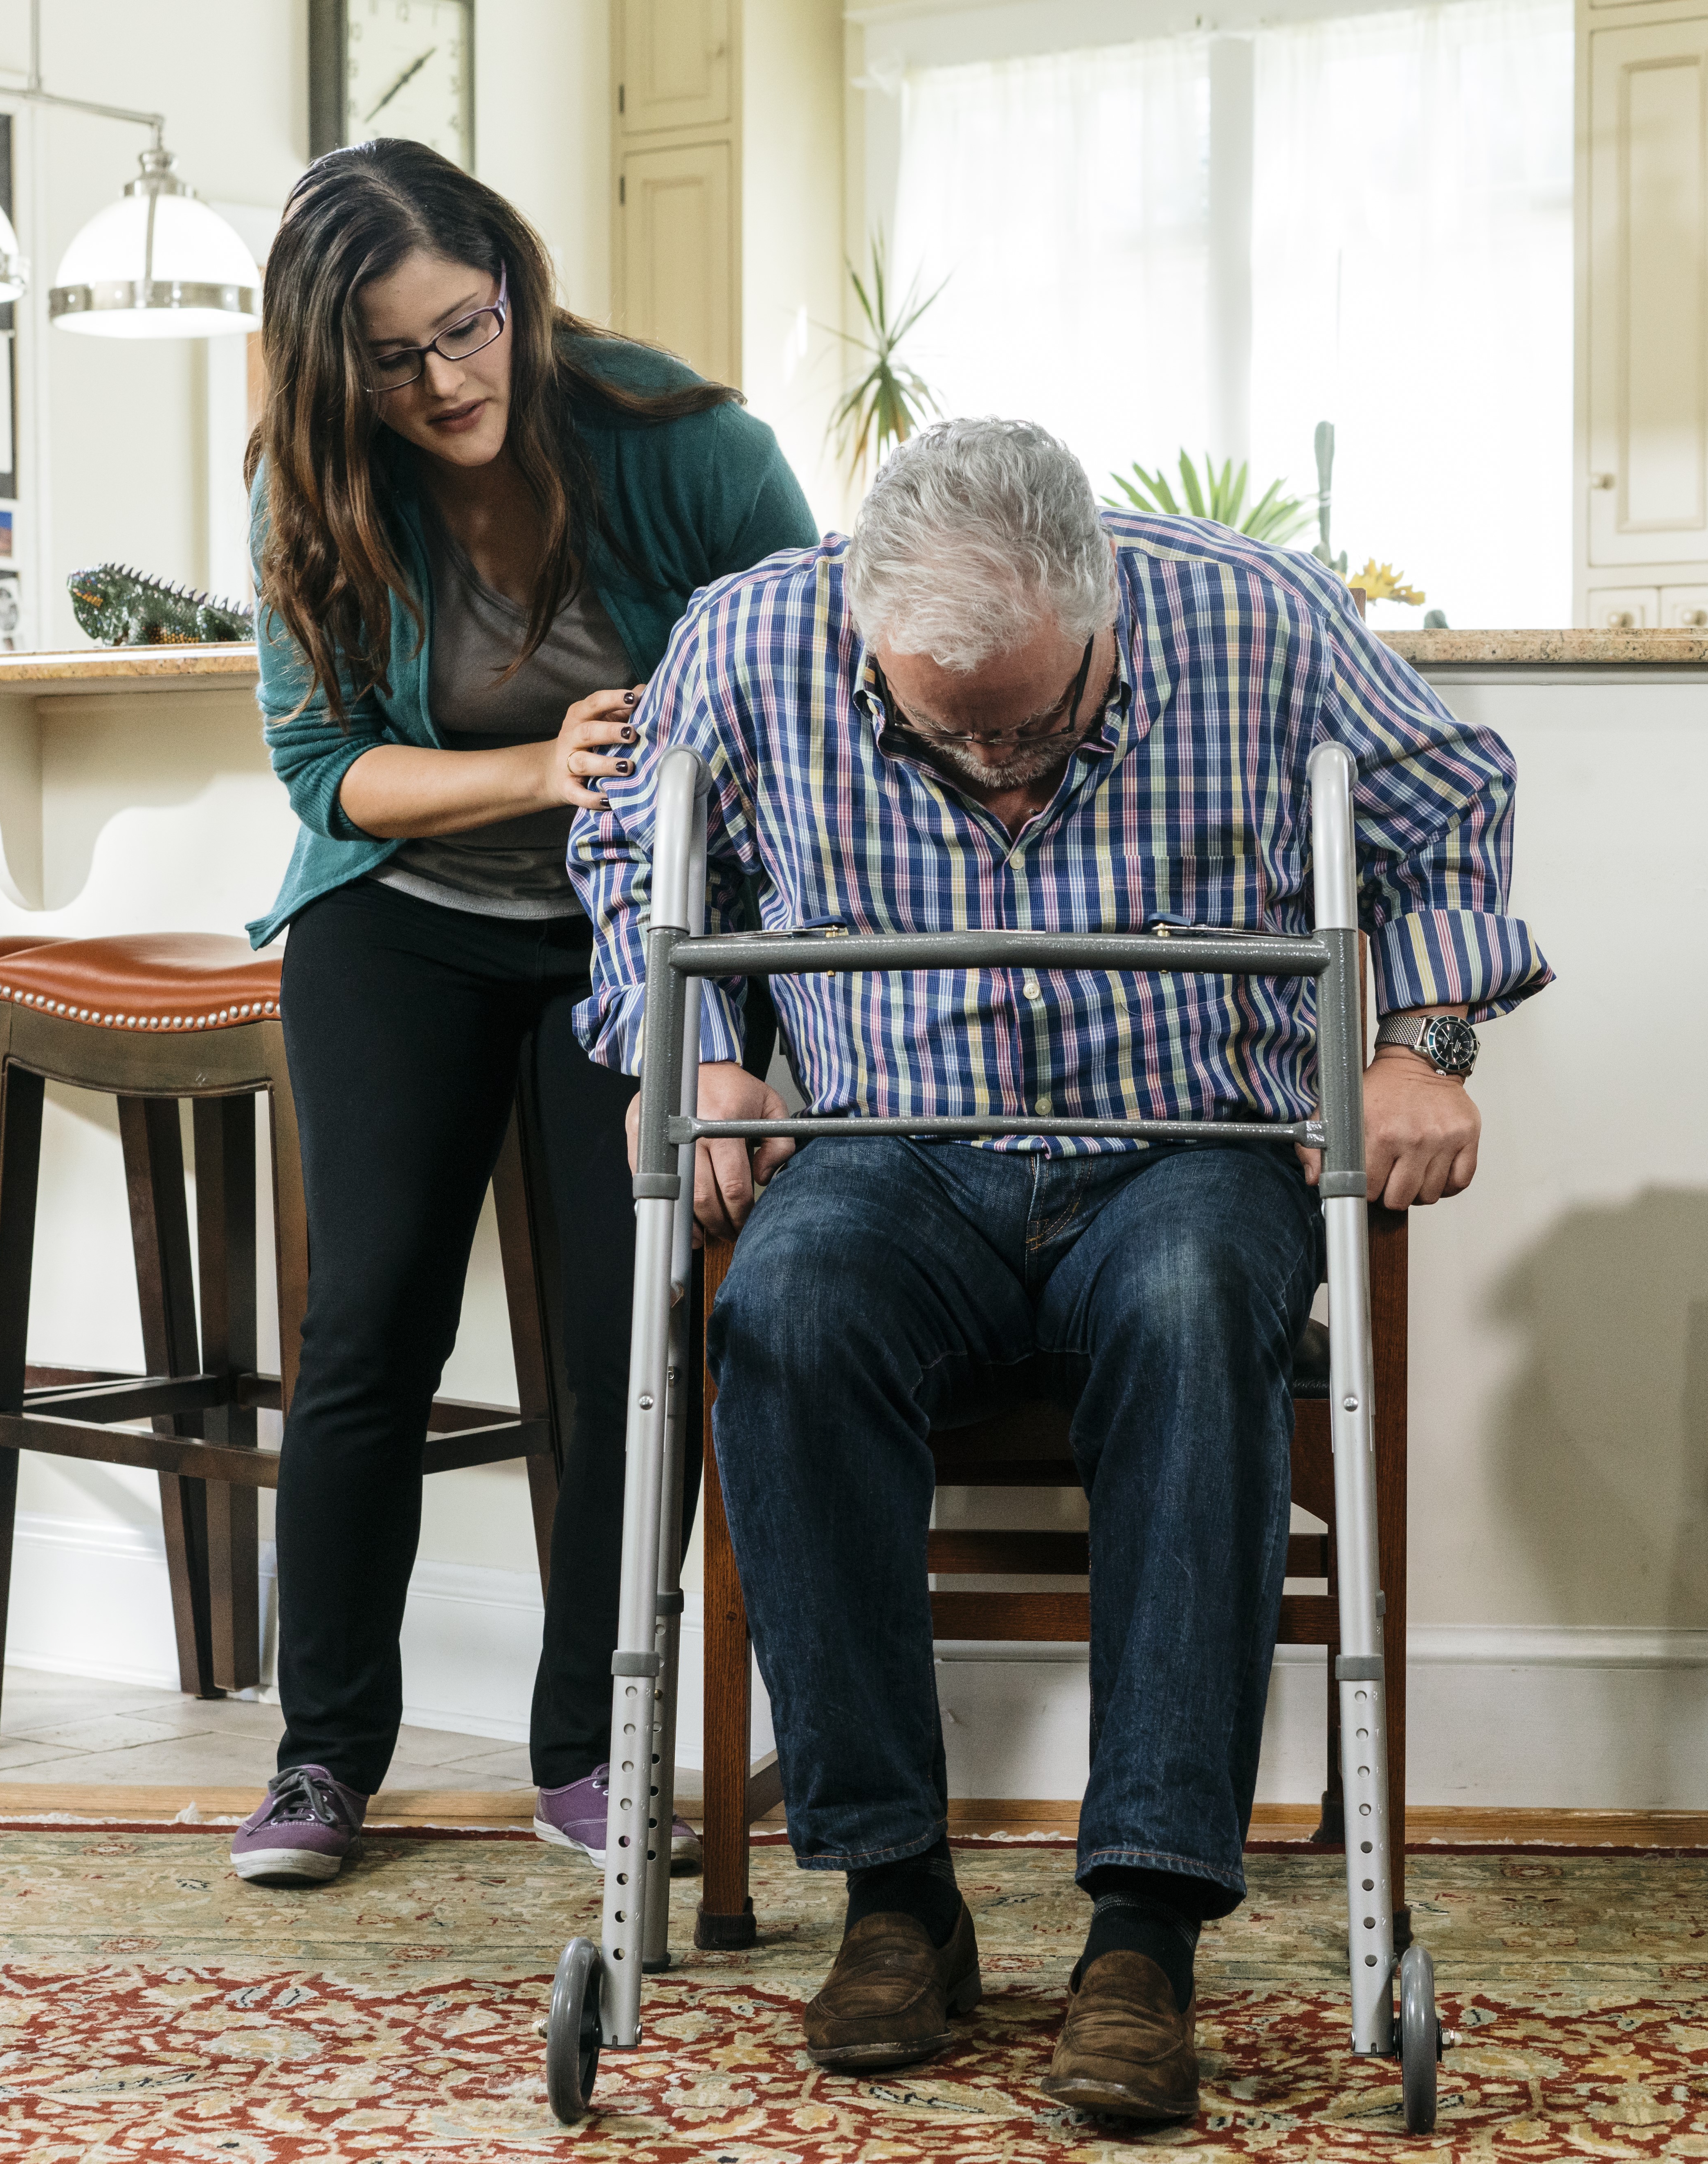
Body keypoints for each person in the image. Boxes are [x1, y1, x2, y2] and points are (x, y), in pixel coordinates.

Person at [571, 419, 1549, 2119]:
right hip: (888, 1144)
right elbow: (630, 862)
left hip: (1187, 1148)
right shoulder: (745, 641)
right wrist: (695, 1045)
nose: (1000, 773)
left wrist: (1425, 1042)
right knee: (784, 1317)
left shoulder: (1257, 618)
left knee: (1184, 1317)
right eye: (945, 736)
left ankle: (1143, 1935)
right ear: (863, 630)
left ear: (1101, 609)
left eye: (1033, 724)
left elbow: (1450, 800)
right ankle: (895, 1899)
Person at [231, 139, 815, 1886]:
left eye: (466, 330)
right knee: (367, 1336)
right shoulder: (314, 487)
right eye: (393, 360)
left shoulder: (684, 446)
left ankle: (592, 1748)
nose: (444, 383)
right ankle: (322, 1760)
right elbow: (324, 778)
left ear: (516, 283)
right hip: (399, 933)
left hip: (628, 941)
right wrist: (527, 767)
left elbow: (809, 684)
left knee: (627, 1339)